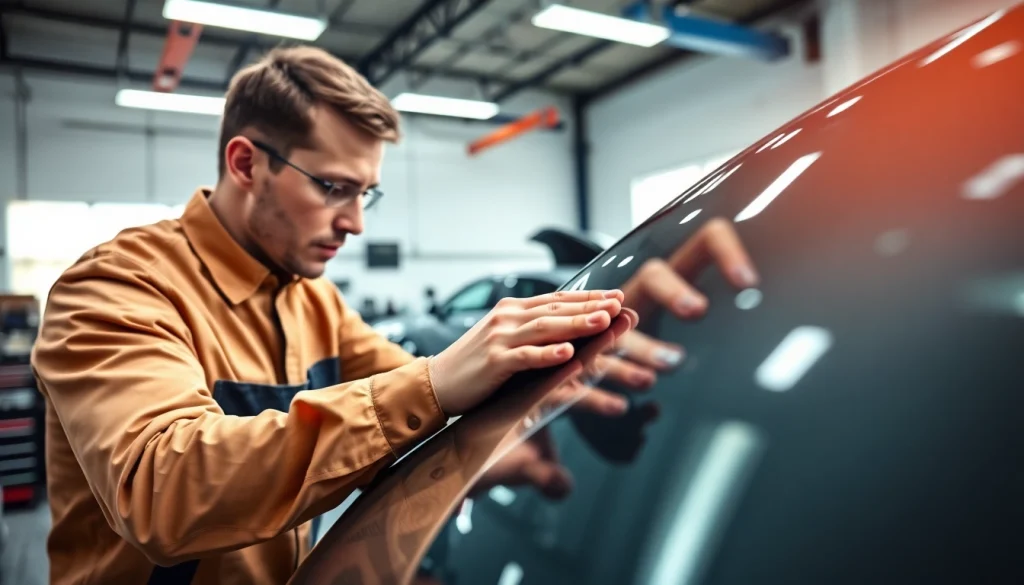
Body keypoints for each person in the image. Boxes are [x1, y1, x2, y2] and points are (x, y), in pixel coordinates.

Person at [30, 46, 634, 585]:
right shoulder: (115, 287)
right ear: (245, 164)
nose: (355, 223)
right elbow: (161, 491)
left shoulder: (309, 297)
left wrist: (523, 413)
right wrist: (434, 384)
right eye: (332, 187)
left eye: (364, 193)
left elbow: (410, 410)